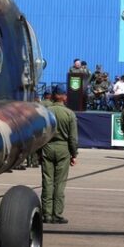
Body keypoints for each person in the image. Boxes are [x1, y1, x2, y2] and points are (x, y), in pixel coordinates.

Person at [41, 85, 78, 224]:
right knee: (60, 183)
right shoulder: (69, 114)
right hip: (63, 148)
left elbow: (41, 134)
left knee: (47, 181)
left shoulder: (46, 112)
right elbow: (73, 138)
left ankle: (46, 214)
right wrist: (74, 154)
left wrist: (40, 152)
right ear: (64, 97)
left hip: (47, 147)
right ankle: (57, 214)